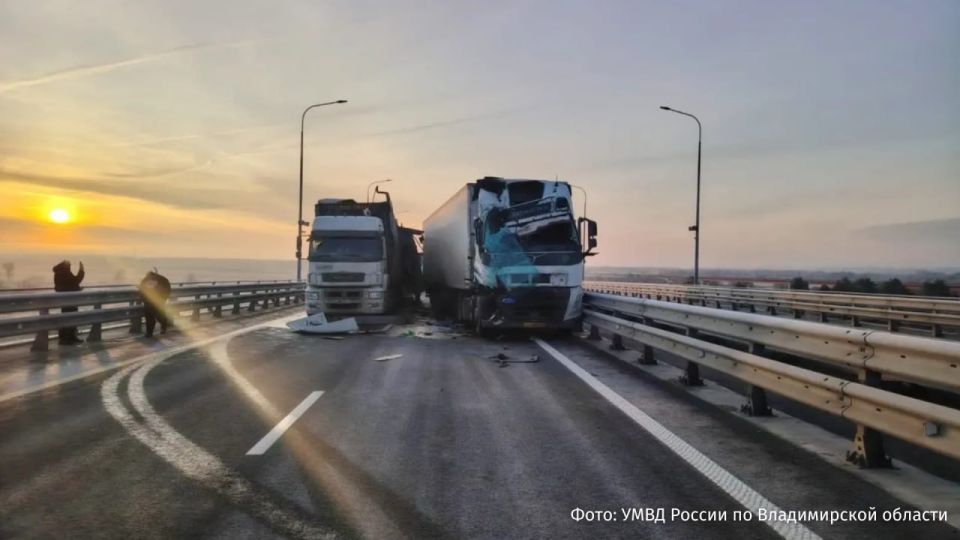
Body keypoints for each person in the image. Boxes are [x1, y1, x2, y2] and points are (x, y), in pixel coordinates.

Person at [52, 260, 85, 345]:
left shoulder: (61, 272)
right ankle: (67, 339)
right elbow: (75, 281)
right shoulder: (63, 273)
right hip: (68, 299)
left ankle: (70, 338)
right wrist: (81, 270)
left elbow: (70, 284)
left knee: (69, 318)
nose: (70, 266)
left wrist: (76, 288)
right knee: (69, 318)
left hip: (67, 299)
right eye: (69, 265)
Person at [139, 269, 172, 338]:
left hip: (154, 302)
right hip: (151, 302)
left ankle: (160, 326)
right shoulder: (162, 279)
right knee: (151, 317)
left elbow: (141, 290)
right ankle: (150, 332)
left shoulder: (146, 280)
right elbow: (141, 290)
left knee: (153, 317)